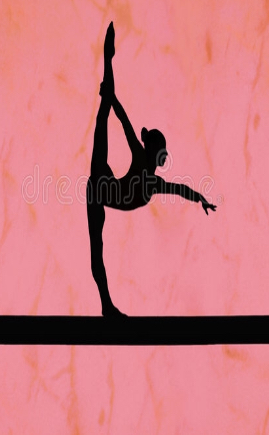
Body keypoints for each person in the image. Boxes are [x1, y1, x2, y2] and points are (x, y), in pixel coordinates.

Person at [87, 22, 217, 317]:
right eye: (159, 152)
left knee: (105, 109)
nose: (161, 159)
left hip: (107, 187)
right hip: (100, 187)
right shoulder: (140, 156)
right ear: (152, 151)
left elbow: (179, 189)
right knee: (103, 113)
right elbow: (123, 120)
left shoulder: (154, 182)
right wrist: (111, 95)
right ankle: (108, 56)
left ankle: (107, 306)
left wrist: (200, 198)